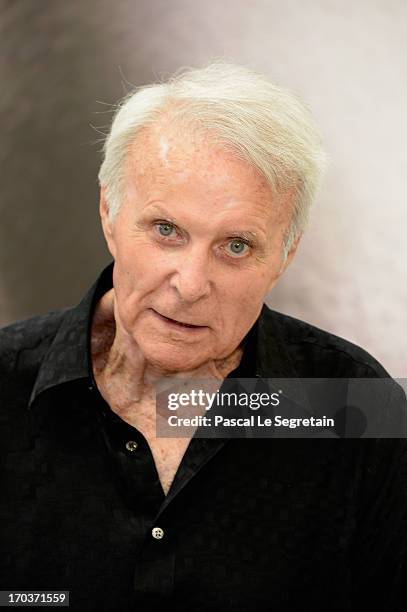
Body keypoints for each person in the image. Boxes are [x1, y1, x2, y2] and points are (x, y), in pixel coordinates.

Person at [1, 60, 406, 611]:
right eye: (166, 230)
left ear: (285, 253)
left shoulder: (355, 406)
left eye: (235, 246)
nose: (190, 286)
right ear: (108, 212)